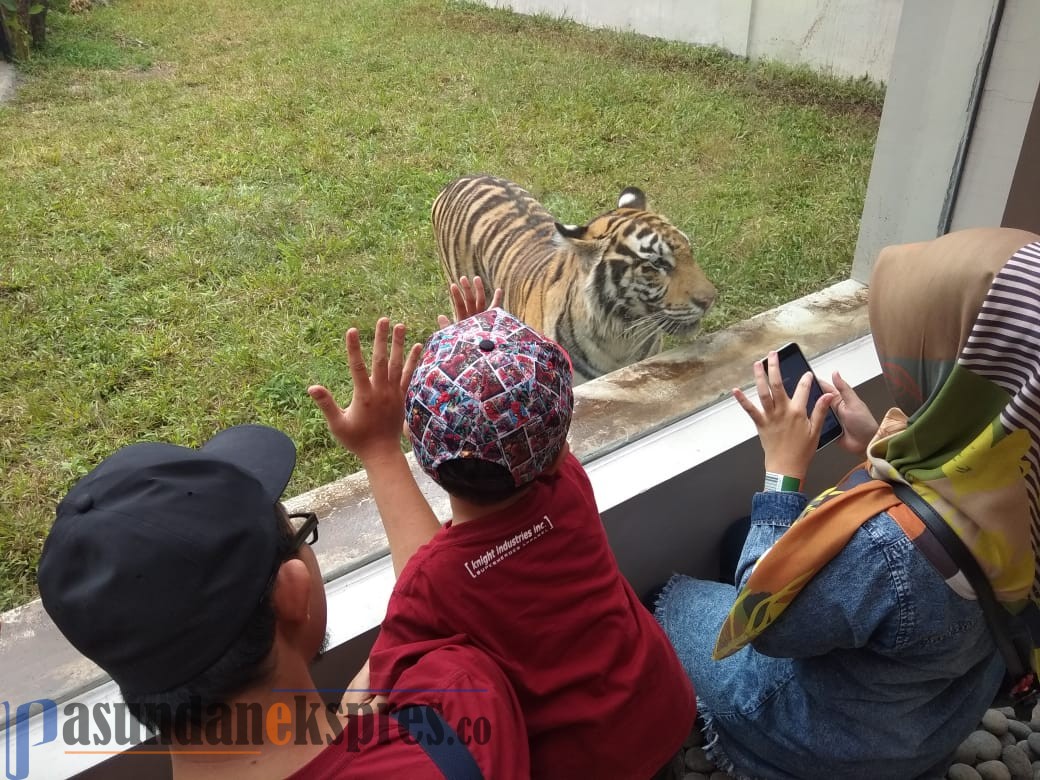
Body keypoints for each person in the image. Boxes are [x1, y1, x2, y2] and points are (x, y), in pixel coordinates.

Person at [655, 226, 1040, 779]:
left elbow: (768, 631)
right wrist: (874, 447)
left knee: (670, 600)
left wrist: (783, 474)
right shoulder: (1017, 486)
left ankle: (760, 756)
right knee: (745, 534)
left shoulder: (888, 551)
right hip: (933, 720)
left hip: (829, 742)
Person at [309, 287, 697, 780]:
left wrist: (377, 448)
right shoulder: (569, 487)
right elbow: (535, 430)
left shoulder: (431, 582)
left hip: (580, 767)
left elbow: (370, 695)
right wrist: (499, 366)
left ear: (422, 451)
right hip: (660, 708)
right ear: (558, 450)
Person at [37, 421, 529, 776]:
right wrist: (381, 453)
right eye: (299, 531)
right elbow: (445, 609)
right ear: (293, 593)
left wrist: (339, 720)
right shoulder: (454, 719)